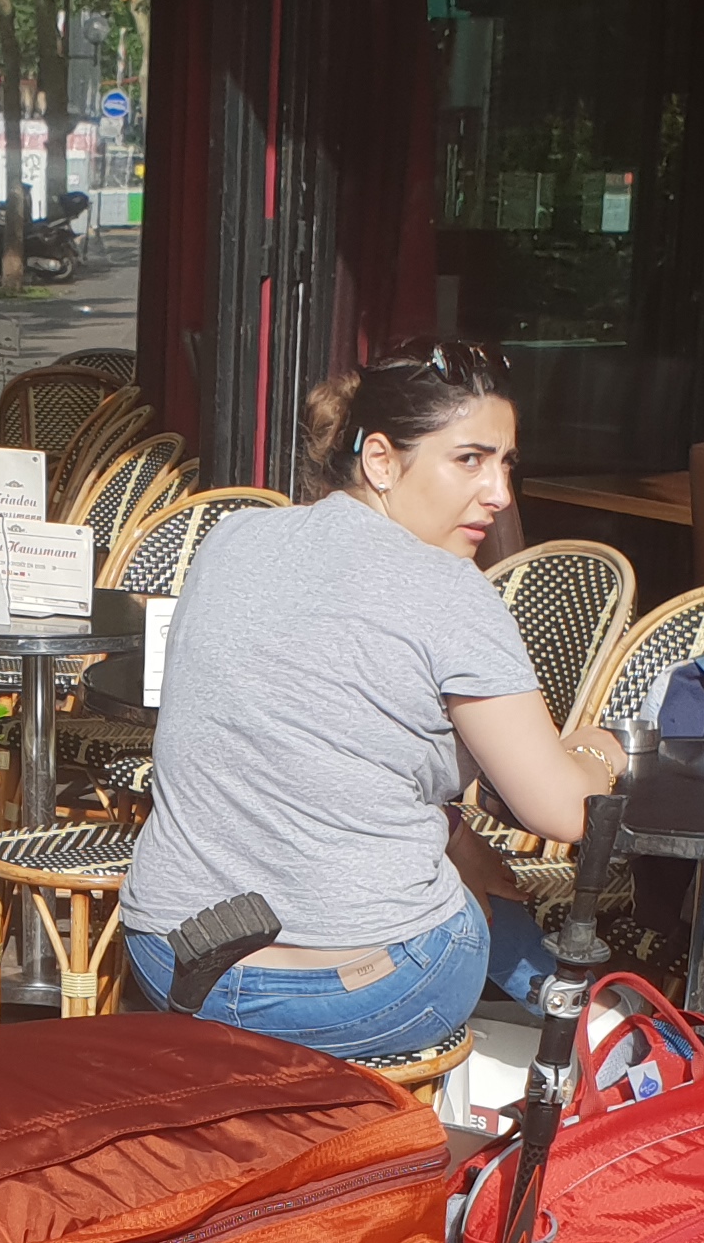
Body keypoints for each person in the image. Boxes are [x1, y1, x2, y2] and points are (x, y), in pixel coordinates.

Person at [121, 342, 626, 1059]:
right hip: (349, 994)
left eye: (506, 463)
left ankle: (596, 1025)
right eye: (470, 460)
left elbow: (309, 753)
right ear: (382, 461)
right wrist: (609, 749)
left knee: (442, 867)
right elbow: (562, 809)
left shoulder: (232, 539)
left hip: (170, 959)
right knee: (452, 909)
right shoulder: (450, 589)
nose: (500, 493)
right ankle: (604, 1034)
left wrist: (449, 834)